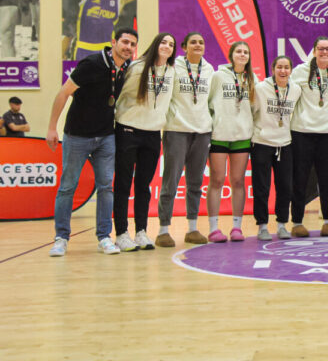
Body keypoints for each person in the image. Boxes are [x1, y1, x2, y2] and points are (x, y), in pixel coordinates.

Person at [46, 28, 138, 257]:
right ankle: (61, 238)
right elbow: (63, 93)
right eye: (125, 42)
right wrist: (51, 128)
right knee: (68, 187)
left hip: (106, 136)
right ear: (113, 41)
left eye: (132, 44)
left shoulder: (127, 68)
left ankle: (104, 237)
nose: (128, 47)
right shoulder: (92, 63)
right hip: (77, 135)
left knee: (106, 186)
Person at [113, 33, 176, 252]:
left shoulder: (171, 71)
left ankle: (141, 231)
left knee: (143, 186)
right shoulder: (137, 66)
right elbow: (120, 96)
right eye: (163, 42)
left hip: (152, 134)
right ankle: (121, 233)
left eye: (171, 44)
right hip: (128, 130)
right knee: (122, 184)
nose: (167, 46)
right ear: (155, 44)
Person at [155, 32, 214, 248]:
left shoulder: (210, 70)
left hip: (202, 131)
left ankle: (192, 228)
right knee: (171, 181)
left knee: (195, 183)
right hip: (176, 130)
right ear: (184, 47)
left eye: (201, 42)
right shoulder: (174, 67)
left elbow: (211, 101)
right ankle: (163, 229)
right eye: (193, 42)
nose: (198, 45)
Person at [290, 36, 328, 237]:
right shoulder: (299, 72)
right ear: (313, 50)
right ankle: (297, 222)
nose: (324, 52)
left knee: (327, 179)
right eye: (320, 49)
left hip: (327, 132)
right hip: (302, 132)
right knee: (300, 178)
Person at [207, 41, 256, 242]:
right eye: (239, 51)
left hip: (242, 137)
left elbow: (254, 109)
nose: (242, 55)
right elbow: (208, 102)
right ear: (231, 55)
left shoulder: (253, 79)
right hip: (219, 135)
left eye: (246, 52)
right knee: (217, 180)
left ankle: (237, 227)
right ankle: (213, 228)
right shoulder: (218, 76)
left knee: (237, 181)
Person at [251, 55, 302, 241]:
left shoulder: (295, 90)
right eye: (279, 67)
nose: (283, 71)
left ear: (290, 70)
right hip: (262, 143)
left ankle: (282, 224)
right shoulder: (260, 88)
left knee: (285, 187)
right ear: (273, 69)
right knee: (262, 187)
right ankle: (262, 226)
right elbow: (253, 110)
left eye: (286, 67)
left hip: (285, 144)